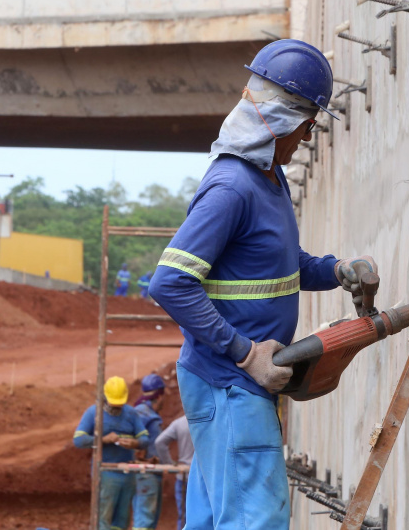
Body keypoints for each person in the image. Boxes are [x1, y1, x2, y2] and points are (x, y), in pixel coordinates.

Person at [148, 39, 378, 529]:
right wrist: (245, 353)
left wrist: (338, 270)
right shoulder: (231, 187)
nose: (307, 136)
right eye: (307, 125)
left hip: (232, 385)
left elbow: (279, 263)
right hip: (229, 384)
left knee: (213, 519)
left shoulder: (268, 180)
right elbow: (170, 283)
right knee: (256, 520)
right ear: (279, 119)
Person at [74, 376, 148, 530]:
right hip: (105, 473)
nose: (117, 408)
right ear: (104, 397)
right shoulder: (94, 412)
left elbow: (145, 439)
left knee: (122, 520)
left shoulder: (131, 413)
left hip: (127, 474)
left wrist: (135, 443)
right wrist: (102, 439)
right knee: (103, 519)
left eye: (119, 405)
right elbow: (78, 440)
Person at [132, 374, 166, 530]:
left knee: (148, 519)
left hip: (149, 473)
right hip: (146, 473)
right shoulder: (145, 415)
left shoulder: (141, 412)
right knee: (145, 519)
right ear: (158, 395)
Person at [154, 415, 193, 530]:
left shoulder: (180, 423)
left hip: (183, 476)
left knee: (183, 516)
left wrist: (169, 464)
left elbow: (159, 442)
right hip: (206, 477)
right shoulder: (211, 422)